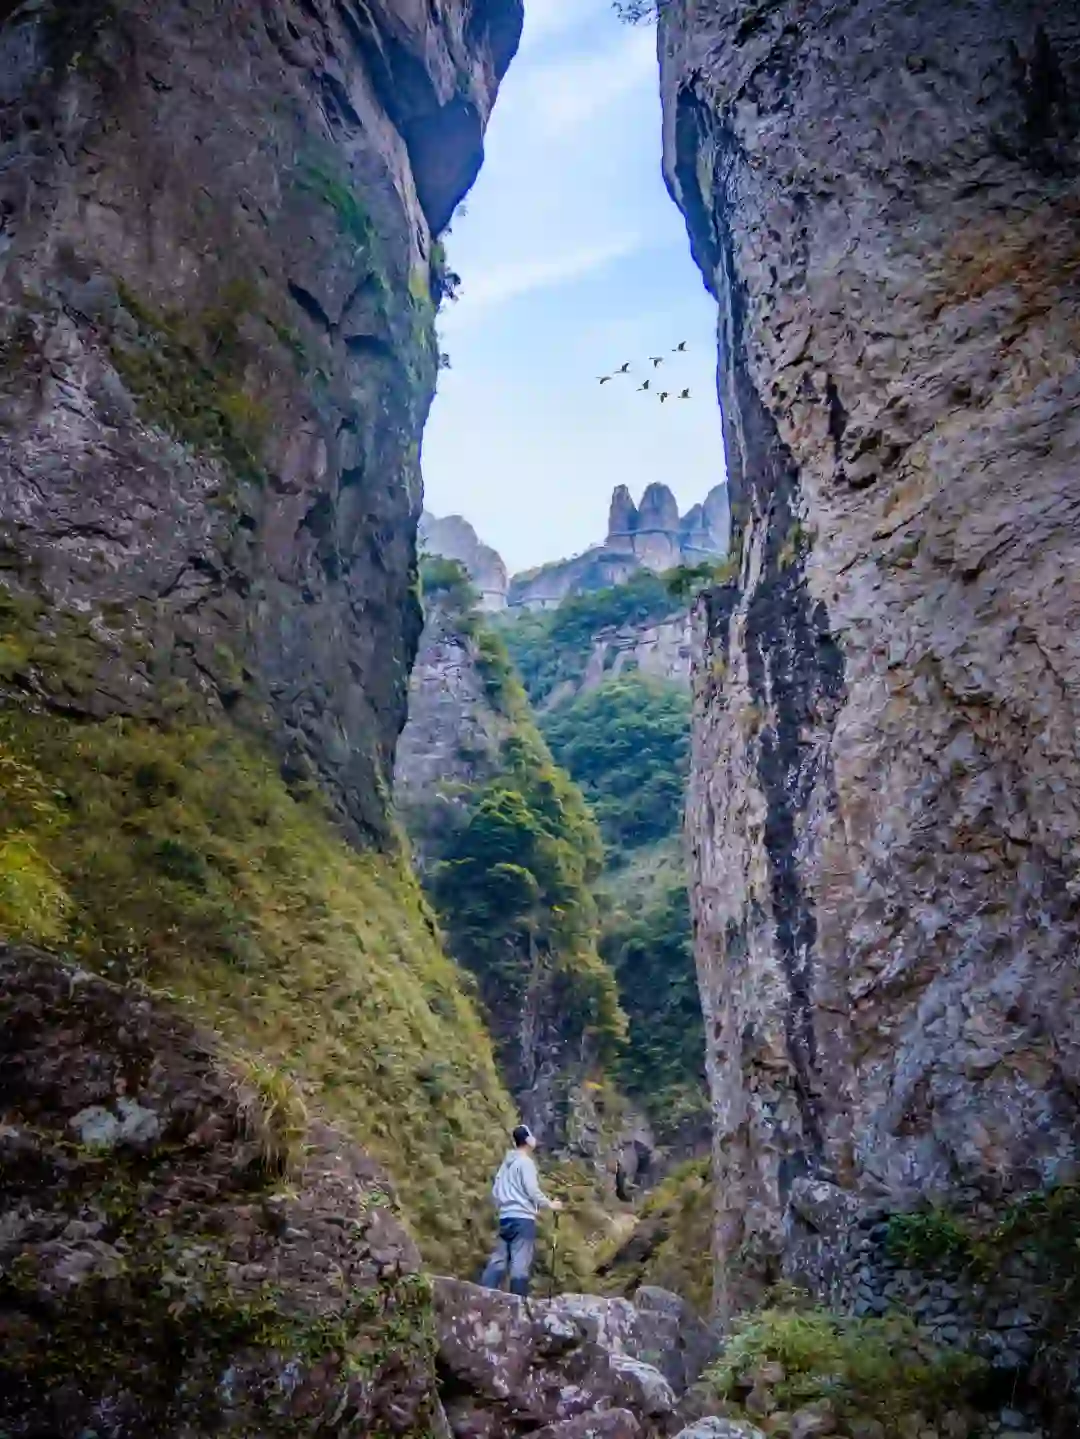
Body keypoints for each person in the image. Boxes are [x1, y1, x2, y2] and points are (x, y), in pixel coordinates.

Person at [479, 1124, 562, 1297]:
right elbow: (532, 1190)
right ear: (527, 1139)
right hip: (523, 1219)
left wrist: (504, 1207)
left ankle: (482, 1294)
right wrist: (550, 1204)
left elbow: (495, 1192)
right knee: (520, 1262)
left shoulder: (506, 1164)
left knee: (499, 1260)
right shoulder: (526, 1162)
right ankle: (519, 1303)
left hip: (505, 1217)